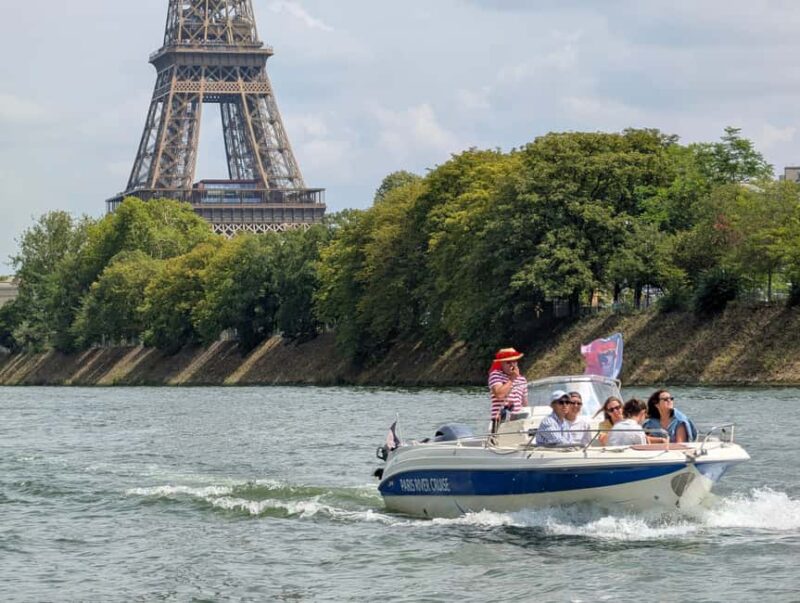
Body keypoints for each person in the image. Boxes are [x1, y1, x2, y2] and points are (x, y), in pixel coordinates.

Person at [488, 347, 528, 432]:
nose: (512, 365)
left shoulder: (522, 380)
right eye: (508, 362)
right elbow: (499, 395)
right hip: (500, 422)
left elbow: (524, 403)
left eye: (514, 361)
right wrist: (512, 379)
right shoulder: (496, 375)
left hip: (518, 422)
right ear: (501, 363)